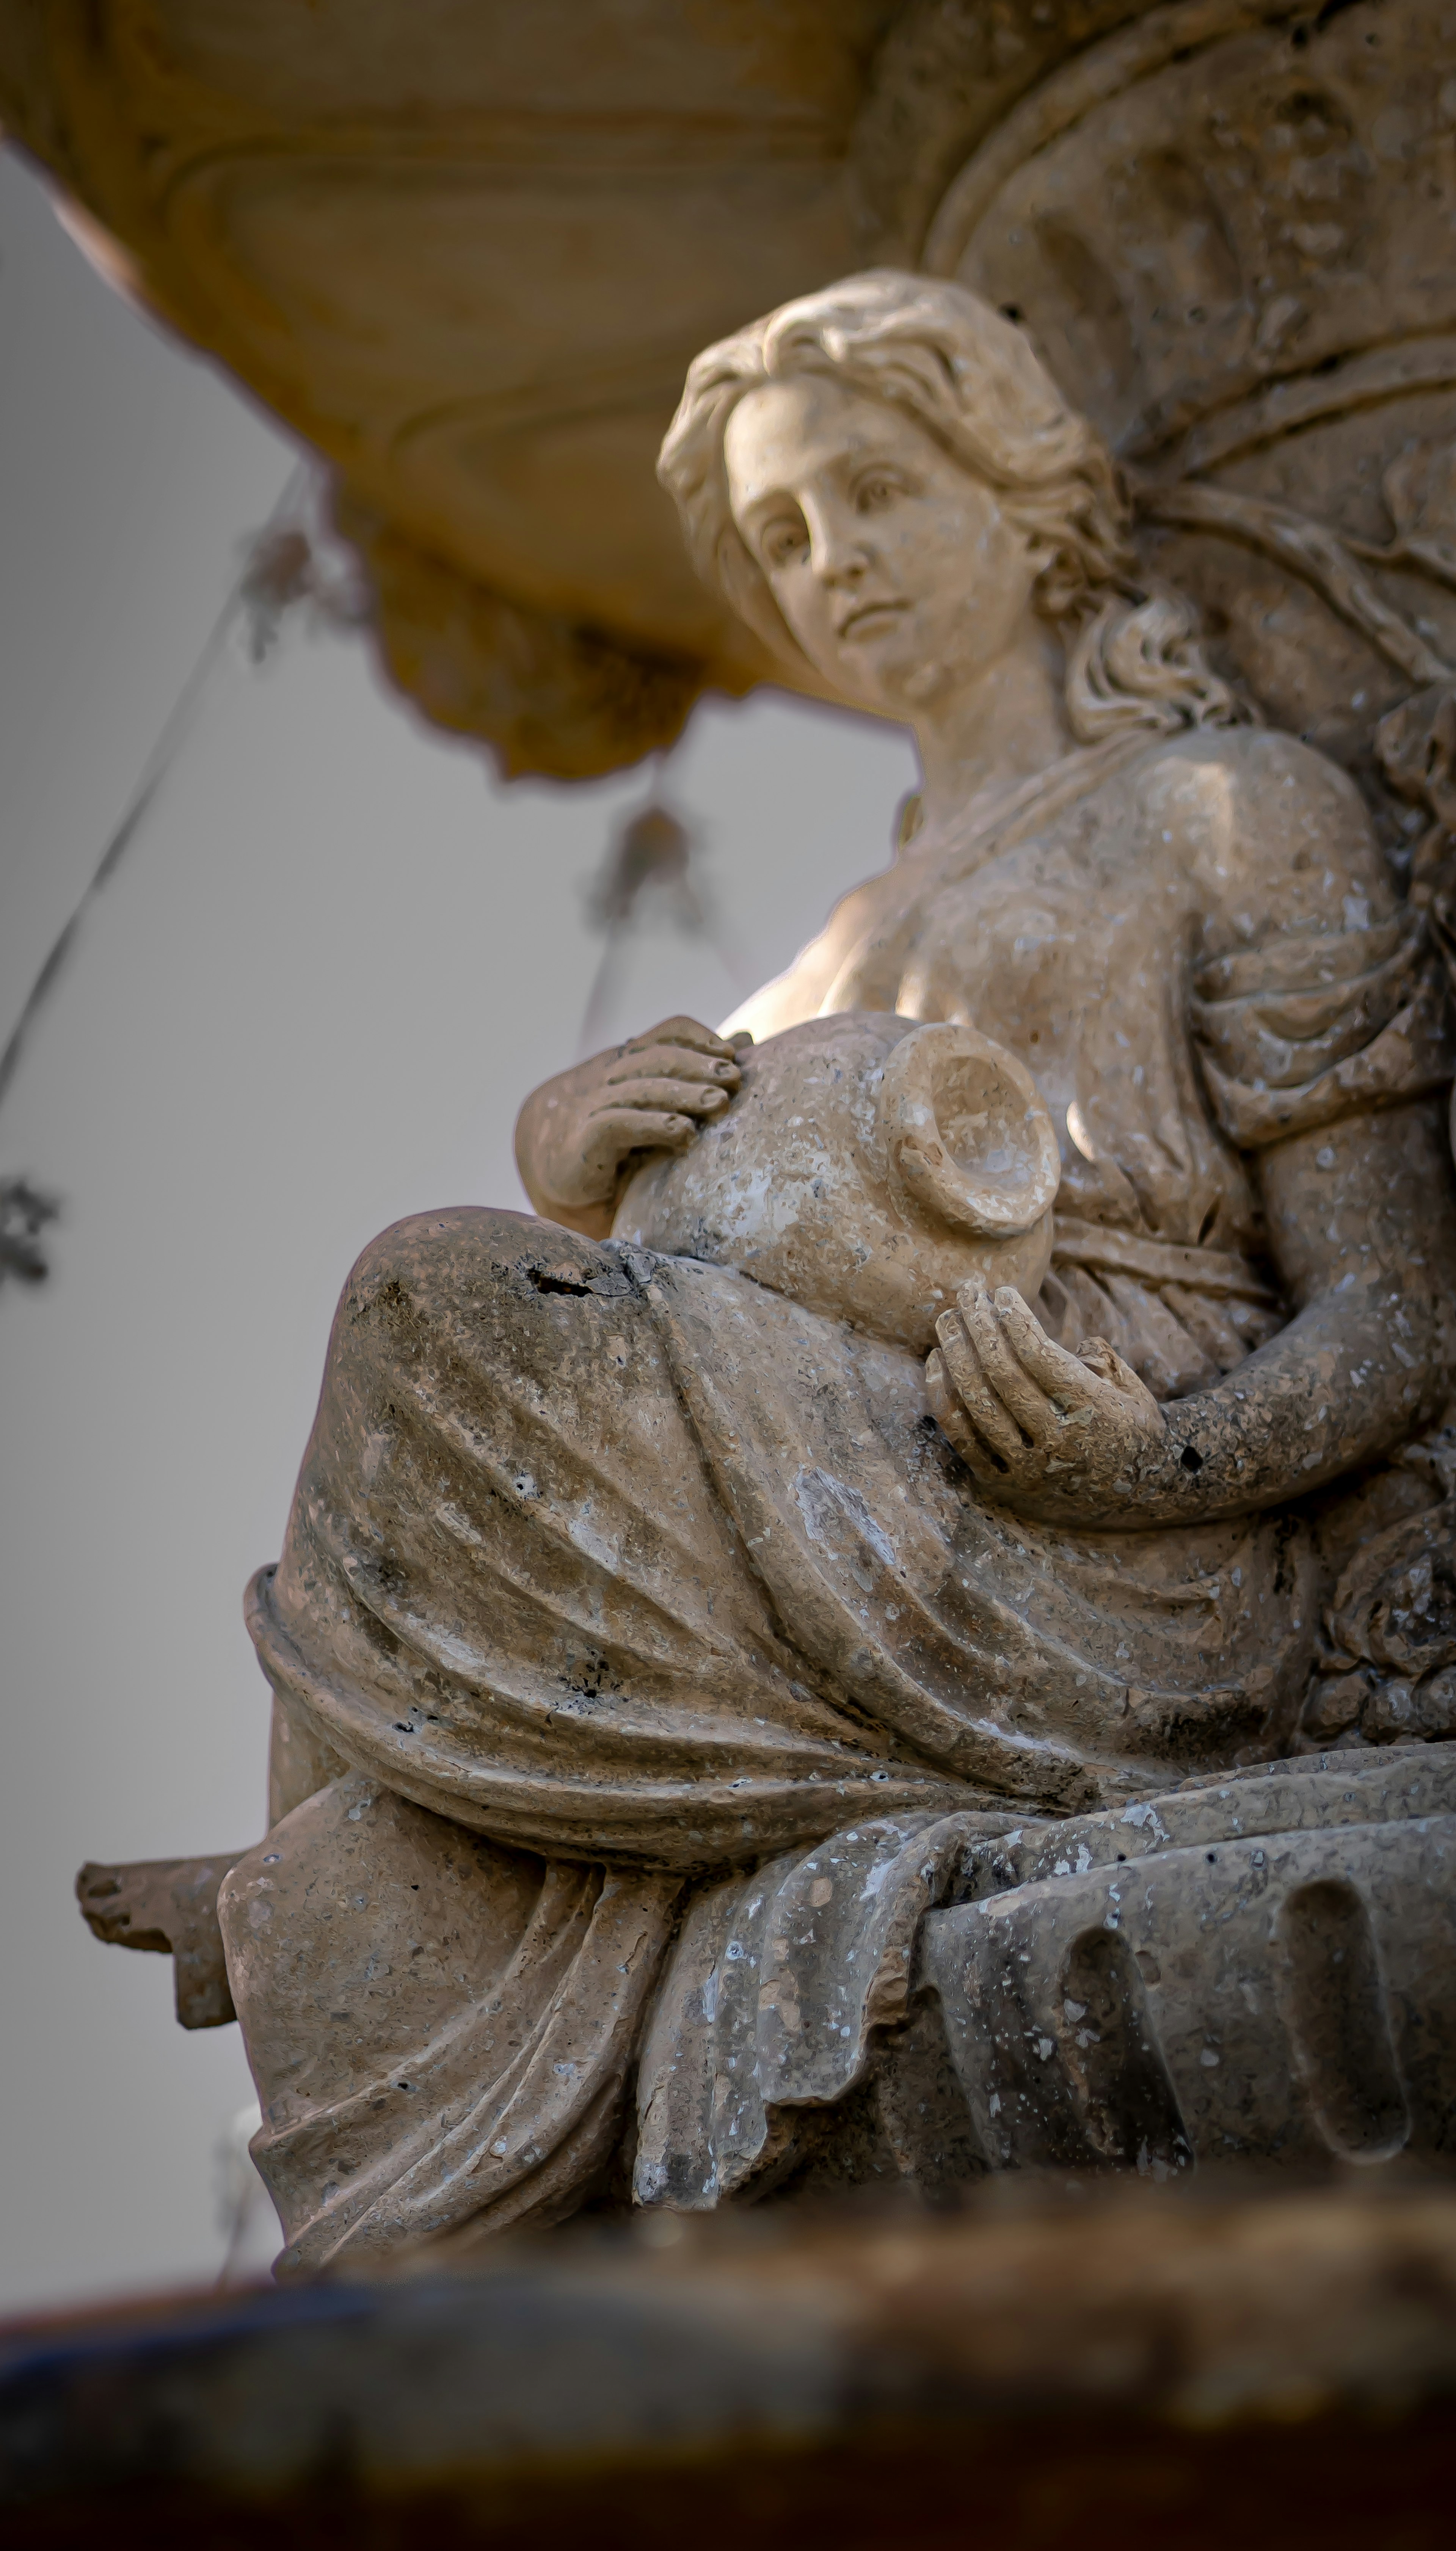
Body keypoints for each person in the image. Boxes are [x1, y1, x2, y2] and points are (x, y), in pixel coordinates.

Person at [227, 272, 1456, 2269]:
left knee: (427, 1303)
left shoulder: (1226, 809)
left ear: (1023, 485)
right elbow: (694, 1275)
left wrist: (1152, 1459)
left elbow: (1397, 1311)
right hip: (811, 1455)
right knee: (438, 1341)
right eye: (784, 537)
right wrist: (583, 1163)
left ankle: (380, 1804)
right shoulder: (817, 954)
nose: (836, 565)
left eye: (878, 490)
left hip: (1091, 1523)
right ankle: (351, 1817)